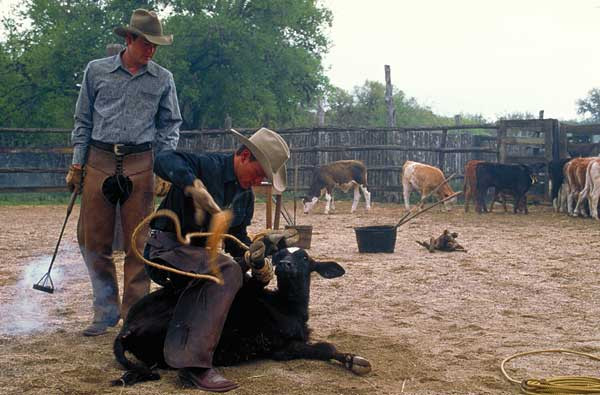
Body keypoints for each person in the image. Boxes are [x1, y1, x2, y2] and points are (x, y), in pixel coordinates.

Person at [145, 127, 291, 392]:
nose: (259, 182)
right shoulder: (206, 165)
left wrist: (256, 256)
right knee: (226, 271)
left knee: (233, 268)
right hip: (164, 249)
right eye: (259, 173)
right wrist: (192, 184)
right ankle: (194, 366)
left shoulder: (244, 199)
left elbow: (237, 241)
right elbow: (163, 159)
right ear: (245, 156)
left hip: (196, 259)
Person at [66, 9, 182, 336]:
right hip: (98, 159)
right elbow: (83, 121)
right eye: (147, 44)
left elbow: (170, 125)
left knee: (138, 243)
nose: (152, 51)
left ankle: (134, 316)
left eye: (156, 46)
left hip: (141, 162)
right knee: (93, 240)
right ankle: (104, 311)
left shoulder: (163, 79)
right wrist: (77, 163)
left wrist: (163, 166)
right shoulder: (96, 72)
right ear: (129, 39)